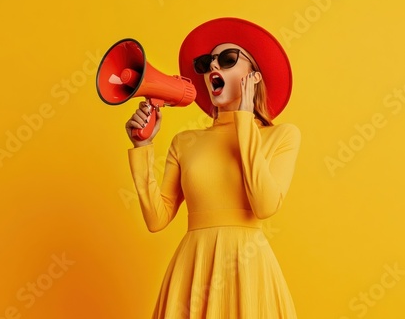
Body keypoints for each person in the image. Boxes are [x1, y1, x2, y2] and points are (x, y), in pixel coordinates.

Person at [125, 17, 300, 319]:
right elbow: (157, 218)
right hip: (194, 268)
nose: (213, 68)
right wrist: (143, 147)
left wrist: (244, 121)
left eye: (228, 59)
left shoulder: (282, 136)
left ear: (254, 77)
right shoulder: (185, 142)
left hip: (249, 268)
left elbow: (265, 205)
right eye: (207, 63)